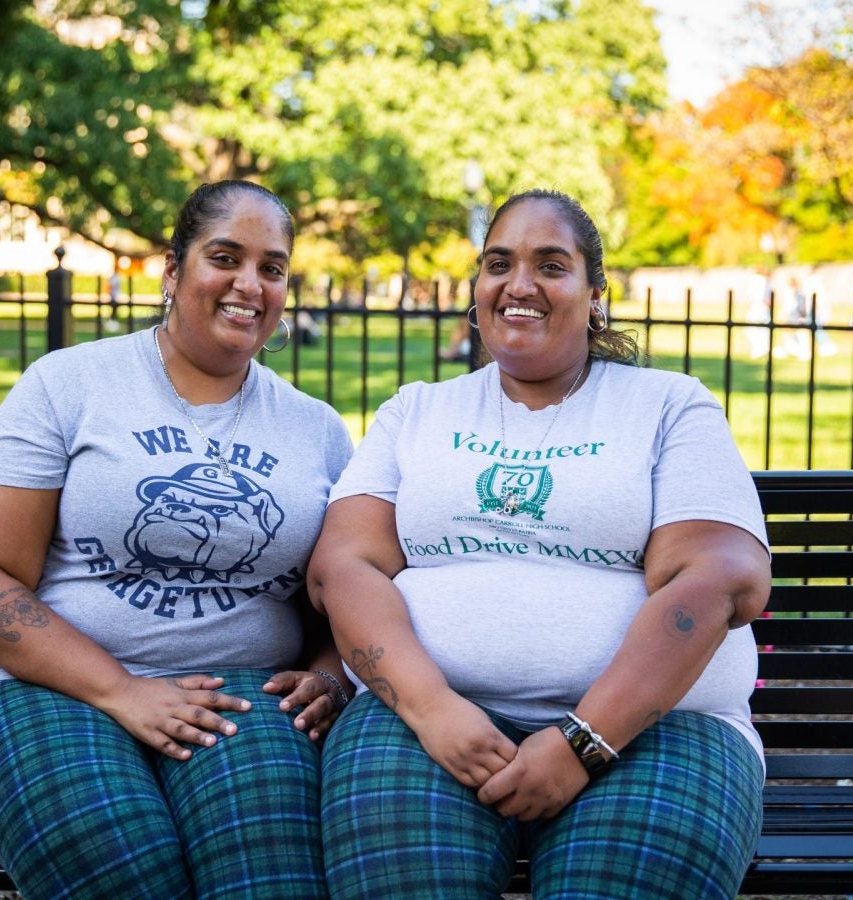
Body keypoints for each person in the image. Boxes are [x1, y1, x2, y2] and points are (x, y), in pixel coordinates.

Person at [311, 189, 771, 899]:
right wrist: (433, 708)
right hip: (424, 724)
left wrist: (586, 741)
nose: (519, 284)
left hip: (661, 735)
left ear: (595, 294)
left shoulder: (667, 407)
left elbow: (720, 579)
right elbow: (345, 565)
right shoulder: (417, 412)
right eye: (500, 262)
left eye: (550, 265)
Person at [0, 180, 354, 899]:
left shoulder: (315, 430)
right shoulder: (70, 385)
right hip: (32, 687)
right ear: (173, 268)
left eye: (272, 268)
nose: (249, 284)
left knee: (268, 874)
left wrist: (329, 671)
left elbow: (348, 588)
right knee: (124, 860)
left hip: (238, 698)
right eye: (225, 257)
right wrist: (122, 690)